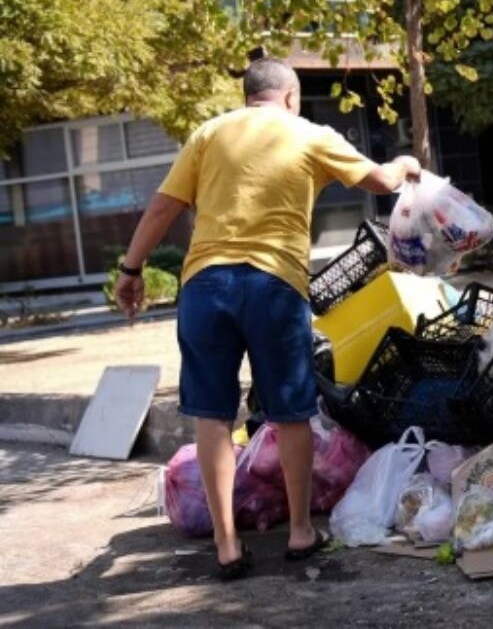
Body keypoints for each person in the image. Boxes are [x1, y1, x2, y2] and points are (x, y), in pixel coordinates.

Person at [115, 58, 420, 580]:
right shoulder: (308, 133)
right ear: (291, 96)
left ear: (247, 96)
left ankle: (227, 544)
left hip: (205, 285)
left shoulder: (209, 134)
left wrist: (131, 268)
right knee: (290, 410)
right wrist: (406, 164)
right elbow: (378, 181)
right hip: (274, 285)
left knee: (211, 414)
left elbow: (163, 208)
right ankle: (301, 532)